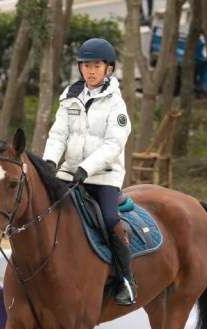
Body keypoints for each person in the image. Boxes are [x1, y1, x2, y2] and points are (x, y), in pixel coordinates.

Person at [42, 38, 136, 306]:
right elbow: (58, 134)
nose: (90, 71)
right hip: (69, 173)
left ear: (108, 69)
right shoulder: (69, 98)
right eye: (85, 65)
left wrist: (87, 168)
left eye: (96, 66)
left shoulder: (116, 105)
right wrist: (50, 162)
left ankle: (125, 279)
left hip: (103, 176)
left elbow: (114, 144)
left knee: (108, 220)